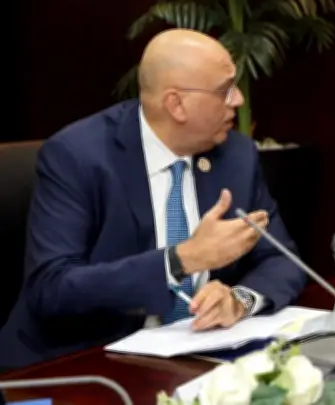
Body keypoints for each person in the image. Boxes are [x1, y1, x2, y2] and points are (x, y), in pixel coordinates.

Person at [0, 29, 306, 368]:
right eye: (224, 90)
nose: (238, 100)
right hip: (77, 361)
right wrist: (180, 260)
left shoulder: (236, 156)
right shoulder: (77, 157)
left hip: (190, 356)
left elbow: (281, 259)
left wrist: (239, 300)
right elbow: (51, 288)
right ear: (176, 104)